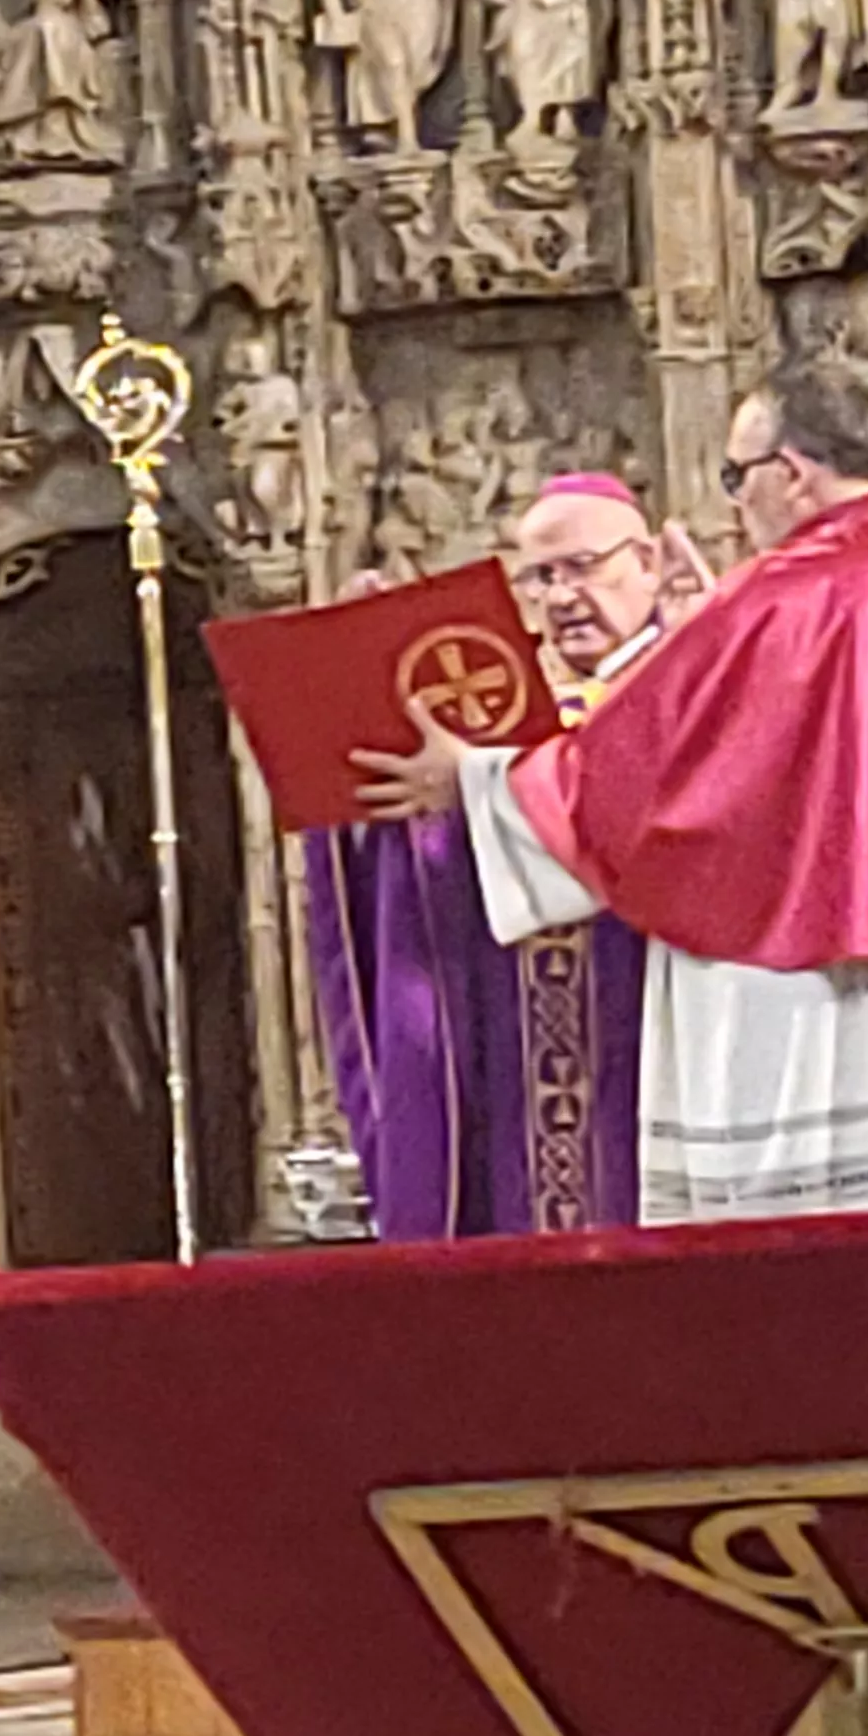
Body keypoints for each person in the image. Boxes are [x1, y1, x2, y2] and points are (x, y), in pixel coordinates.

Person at [357, 361, 868, 1220]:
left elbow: (649, 781)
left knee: (830, 1260)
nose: (734, 505)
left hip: (829, 1004)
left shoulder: (778, 600)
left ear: (789, 473)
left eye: (736, 476)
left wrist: (476, 781)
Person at [306, 473, 678, 1239]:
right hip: (508, 1073)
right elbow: (408, 862)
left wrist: (480, 784)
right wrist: (364, 679)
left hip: (655, 1053)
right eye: (541, 577)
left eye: (583, 567)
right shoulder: (497, 709)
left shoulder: (696, 682)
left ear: (648, 563)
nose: (562, 596)